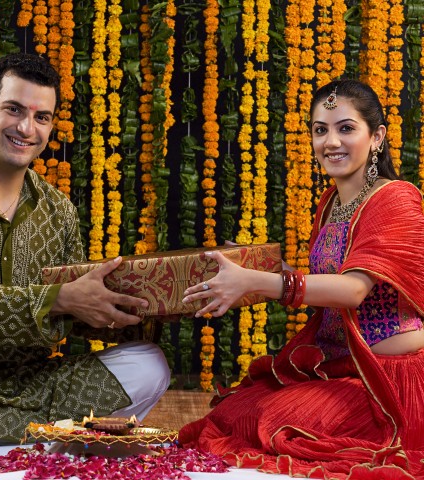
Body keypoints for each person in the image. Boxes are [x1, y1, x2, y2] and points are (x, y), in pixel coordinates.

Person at [180, 79, 424, 478]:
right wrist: (261, 270)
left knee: (273, 426)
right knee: (236, 413)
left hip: (388, 383)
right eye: (320, 129)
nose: (331, 142)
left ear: (376, 136)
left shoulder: (396, 198)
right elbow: (327, 285)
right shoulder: (332, 203)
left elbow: (354, 291)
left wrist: (260, 283)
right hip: (343, 367)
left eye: (346, 128)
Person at [0, 53, 170, 446]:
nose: (26, 128)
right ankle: (32, 434)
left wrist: (150, 302)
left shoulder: (58, 209)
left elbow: (78, 314)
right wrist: (59, 298)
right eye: (13, 109)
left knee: (148, 363)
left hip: (37, 385)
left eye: (42, 117)